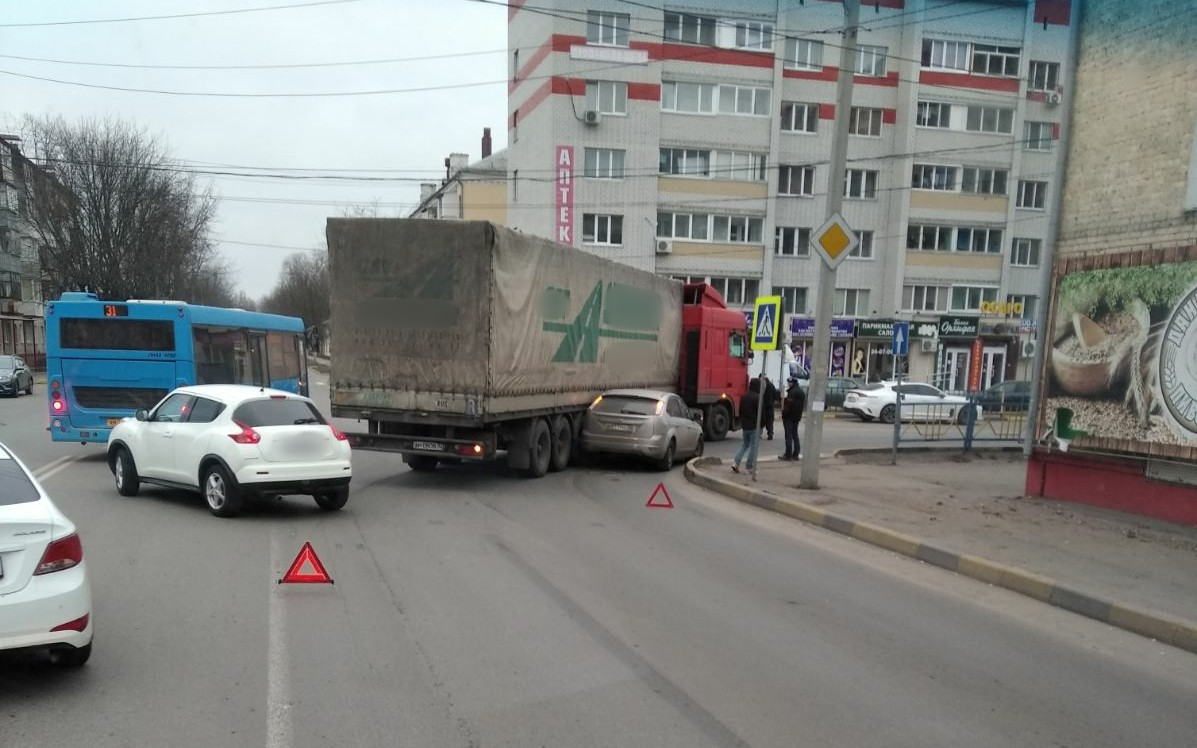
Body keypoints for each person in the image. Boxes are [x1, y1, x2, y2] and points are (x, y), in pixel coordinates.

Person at [732, 378, 762, 480]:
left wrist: (742, 422)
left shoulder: (744, 397)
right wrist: (763, 424)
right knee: (754, 446)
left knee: (745, 444)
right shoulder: (757, 397)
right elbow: (760, 413)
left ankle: (736, 462)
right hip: (754, 425)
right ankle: (749, 467)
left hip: (745, 425)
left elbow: (741, 410)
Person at [781, 377, 806, 460]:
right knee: (795, 435)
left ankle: (788, 455)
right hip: (796, 417)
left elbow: (789, 406)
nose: (788, 384)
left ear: (792, 383)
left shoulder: (792, 392)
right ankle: (796, 454)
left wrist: (784, 414)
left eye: (789, 383)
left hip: (789, 417)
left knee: (788, 436)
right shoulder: (801, 391)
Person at [761, 376, 779, 440]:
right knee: (770, 421)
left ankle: (759, 434)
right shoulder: (772, 385)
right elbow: (776, 394)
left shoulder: (763, 386)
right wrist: (774, 401)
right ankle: (770, 433)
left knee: (761, 420)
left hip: (764, 406)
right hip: (770, 406)